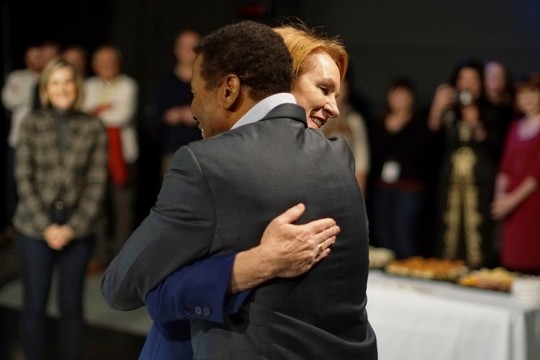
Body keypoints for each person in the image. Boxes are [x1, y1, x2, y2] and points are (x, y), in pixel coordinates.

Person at [102, 20, 377, 359]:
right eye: (323, 88)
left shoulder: (210, 166)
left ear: (231, 88)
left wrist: (248, 267)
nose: (333, 106)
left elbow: (130, 288)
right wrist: (256, 263)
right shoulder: (338, 158)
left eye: (196, 92)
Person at [13, 58, 108, 360]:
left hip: (76, 229)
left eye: (68, 82)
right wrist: (47, 227)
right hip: (34, 226)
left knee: (71, 306)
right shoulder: (31, 123)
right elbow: (23, 177)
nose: (62, 88)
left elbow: (96, 182)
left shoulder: (93, 126)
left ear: (76, 87)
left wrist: (72, 227)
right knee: (34, 305)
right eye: (55, 82)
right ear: (46, 89)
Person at [428, 59, 501, 268]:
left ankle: (479, 270)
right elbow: (428, 146)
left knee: (477, 225)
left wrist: (475, 122)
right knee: (448, 224)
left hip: (480, 184)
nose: (467, 84)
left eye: (473, 79)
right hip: (449, 183)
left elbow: (496, 148)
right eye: (463, 79)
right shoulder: (449, 112)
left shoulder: (492, 111)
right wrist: (437, 109)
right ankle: (446, 268)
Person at [84, 45, 139, 271]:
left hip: (123, 156)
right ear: (94, 66)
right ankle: (99, 255)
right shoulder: (88, 86)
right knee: (97, 208)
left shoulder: (128, 85)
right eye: (102, 61)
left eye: (111, 61)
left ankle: (121, 257)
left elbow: (122, 116)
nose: (107, 66)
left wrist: (96, 111)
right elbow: (84, 114)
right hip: (95, 156)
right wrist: (105, 109)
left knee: (123, 208)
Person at [369, 77, 436, 259]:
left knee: (403, 232)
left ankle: (408, 272)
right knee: (383, 232)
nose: (399, 98)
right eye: (395, 93)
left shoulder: (420, 123)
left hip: (409, 188)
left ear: (411, 97)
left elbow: (425, 151)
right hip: (383, 187)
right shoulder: (378, 123)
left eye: (403, 94)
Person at [492, 72, 540, 274]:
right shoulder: (515, 126)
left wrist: (511, 200)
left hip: (532, 204)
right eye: (522, 93)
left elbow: (536, 174)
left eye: (533, 92)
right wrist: (500, 198)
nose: (527, 98)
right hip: (510, 206)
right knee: (511, 262)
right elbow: (505, 167)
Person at [1, 44, 43, 233]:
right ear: (26, 58)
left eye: (39, 56)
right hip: (17, 140)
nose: (36, 60)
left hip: (41, 142)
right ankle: (14, 225)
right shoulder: (17, 77)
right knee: (15, 182)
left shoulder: (49, 77)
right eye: (32, 56)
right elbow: (8, 99)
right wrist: (32, 93)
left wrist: (22, 94)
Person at [152, 29, 202, 178]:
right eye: (184, 46)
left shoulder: (208, 83)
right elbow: (154, 120)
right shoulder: (165, 83)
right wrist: (168, 116)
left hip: (203, 150)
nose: (188, 51)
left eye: (193, 46)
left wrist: (197, 115)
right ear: (176, 50)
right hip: (173, 152)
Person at [321, 75, 370, 191]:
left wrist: (360, 187)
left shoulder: (354, 119)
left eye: (343, 88)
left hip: (347, 179)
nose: (339, 93)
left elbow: (361, 155)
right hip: (321, 178)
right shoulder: (319, 116)